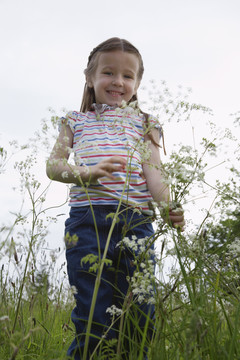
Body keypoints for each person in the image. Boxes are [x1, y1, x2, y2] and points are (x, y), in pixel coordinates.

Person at [46, 37, 184, 359]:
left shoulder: (146, 123)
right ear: (90, 78)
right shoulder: (75, 120)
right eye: (108, 73)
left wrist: (168, 207)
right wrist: (88, 172)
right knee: (93, 316)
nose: (118, 82)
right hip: (88, 222)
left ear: (136, 83)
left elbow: (154, 173)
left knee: (140, 313)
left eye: (127, 76)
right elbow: (53, 166)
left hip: (137, 222)